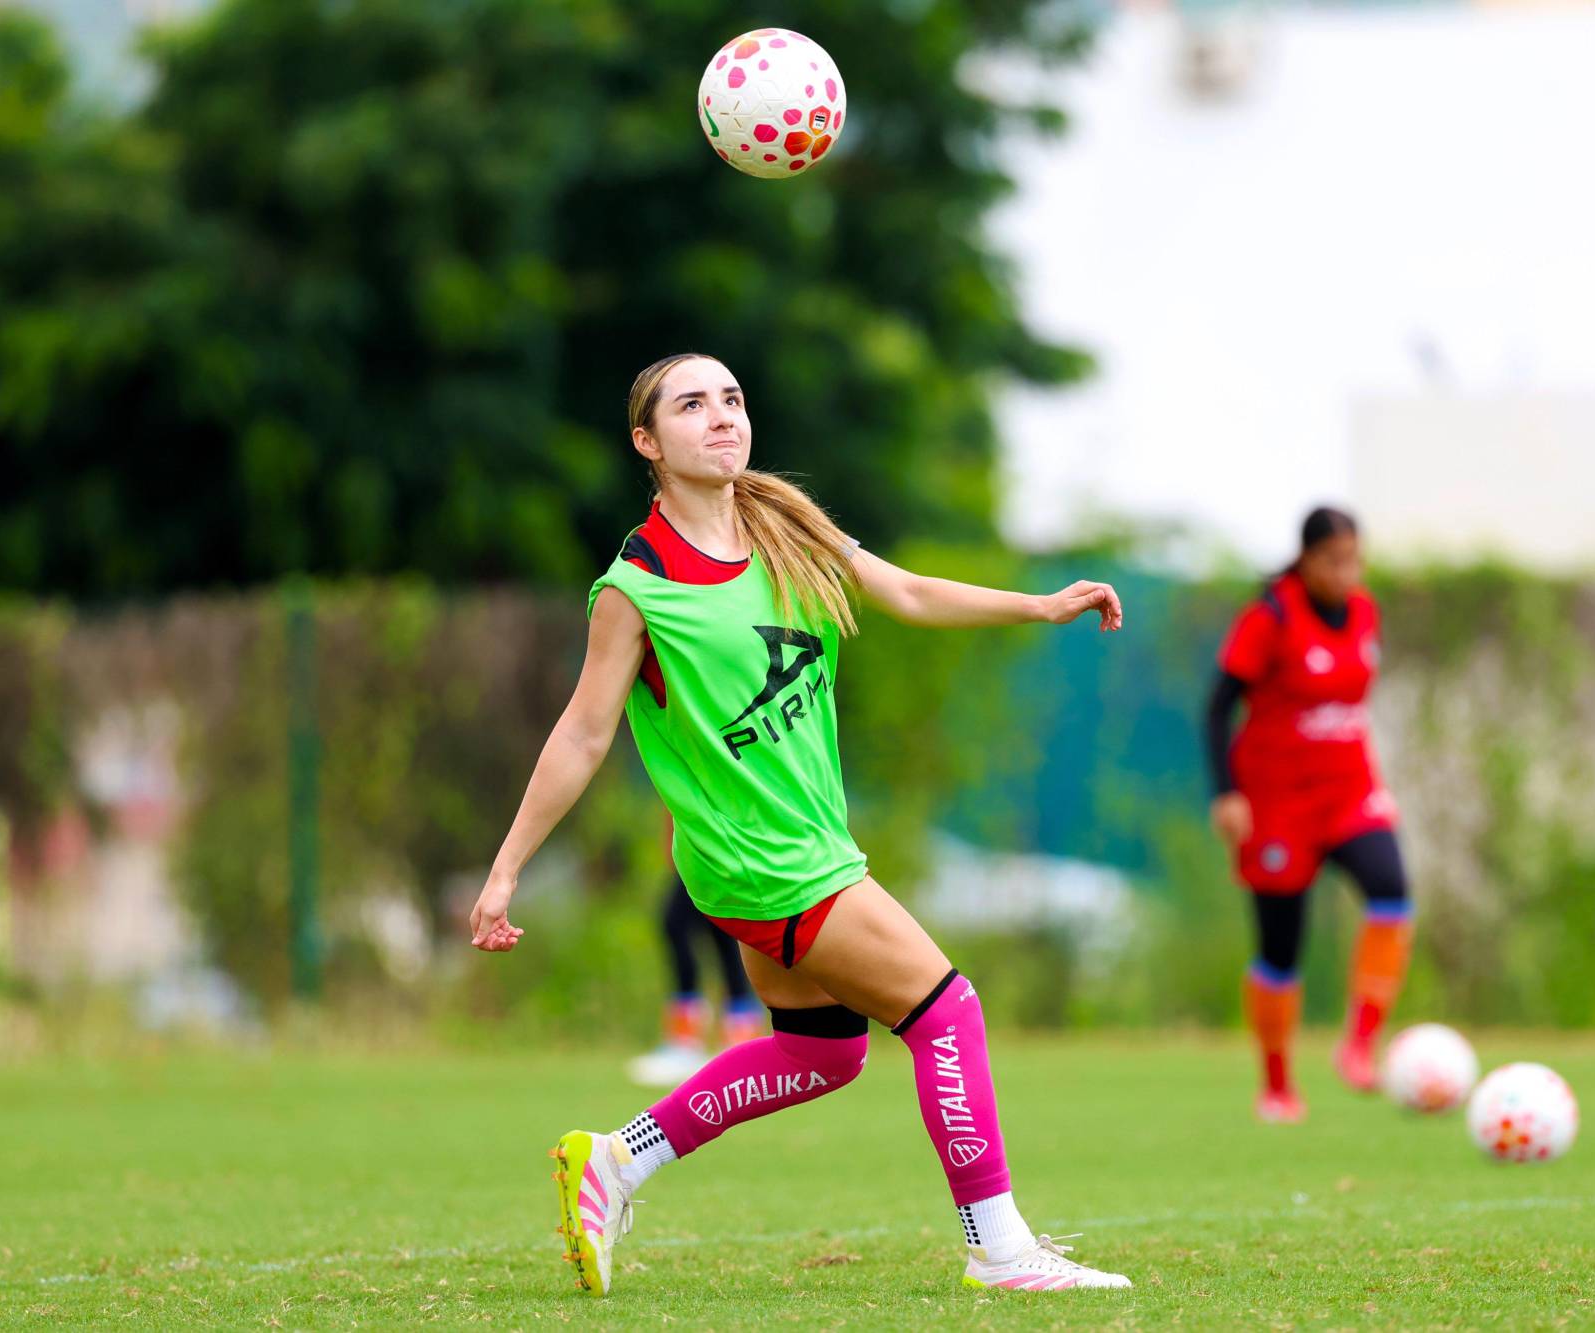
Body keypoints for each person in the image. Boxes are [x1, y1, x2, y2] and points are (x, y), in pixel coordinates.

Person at [469, 353, 1131, 1297]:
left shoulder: (782, 526)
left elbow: (902, 591)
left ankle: (619, 1158)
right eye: (691, 406)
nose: (721, 418)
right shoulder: (637, 584)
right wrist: (505, 871)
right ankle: (1000, 1246)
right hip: (764, 862)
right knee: (948, 1011)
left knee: (822, 1053)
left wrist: (1039, 603)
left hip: (801, 849)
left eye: (733, 399)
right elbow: (581, 733)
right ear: (648, 443)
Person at [1204, 507, 1412, 1123]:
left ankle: (1359, 1045)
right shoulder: (1270, 618)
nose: (1348, 572)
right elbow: (1216, 708)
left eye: (1356, 558)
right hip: (1276, 805)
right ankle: (1276, 1085)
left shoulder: (1365, 611)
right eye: (1336, 560)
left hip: (1350, 794)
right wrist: (1226, 792)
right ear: (1308, 559)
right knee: (1280, 950)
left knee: (1392, 891)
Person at [628, 822, 764, 1087]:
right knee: (718, 933)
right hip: (702, 850)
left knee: (687, 926)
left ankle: (712, 1044)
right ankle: (722, 1043)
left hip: (722, 848)